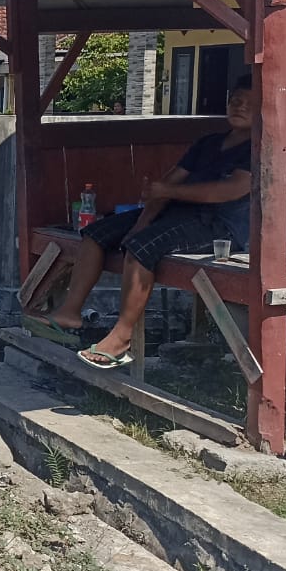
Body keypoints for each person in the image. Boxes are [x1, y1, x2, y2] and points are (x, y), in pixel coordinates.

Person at [40, 74, 256, 370]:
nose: (239, 107)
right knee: (96, 233)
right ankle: (70, 311)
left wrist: (168, 194)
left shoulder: (259, 147)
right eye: (235, 100)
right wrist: (144, 219)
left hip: (221, 227)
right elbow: (165, 184)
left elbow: (231, 189)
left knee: (141, 248)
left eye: (249, 103)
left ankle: (121, 337)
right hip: (179, 213)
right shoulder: (209, 143)